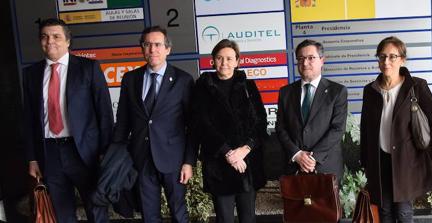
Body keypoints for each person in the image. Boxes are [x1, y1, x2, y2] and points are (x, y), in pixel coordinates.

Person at [22, 18, 113, 223]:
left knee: (96, 210)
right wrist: (32, 158)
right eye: (44, 37)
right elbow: (28, 119)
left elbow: (105, 114)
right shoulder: (31, 74)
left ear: (68, 41)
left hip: (84, 153)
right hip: (49, 153)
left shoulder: (88, 68)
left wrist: (105, 153)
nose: (50, 41)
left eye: (56, 36)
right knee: (62, 215)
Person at [360, 36, 432, 223]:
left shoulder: (416, 86)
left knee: (403, 213)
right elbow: (365, 129)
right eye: (382, 56)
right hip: (380, 161)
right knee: (384, 213)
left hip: (407, 160)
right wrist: (366, 161)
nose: (386, 62)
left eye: (392, 56)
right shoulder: (370, 90)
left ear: (402, 59)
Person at [112, 26, 195, 223]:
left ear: (168, 49)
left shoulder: (183, 80)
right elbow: (123, 121)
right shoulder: (130, 79)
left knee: (178, 212)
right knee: (149, 215)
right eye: (147, 44)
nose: (152, 49)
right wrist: (115, 155)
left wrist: (189, 162)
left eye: (158, 44)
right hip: (141, 158)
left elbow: (193, 126)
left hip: (173, 160)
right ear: (142, 48)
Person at [193, 39, 268, 223]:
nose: (224, 63)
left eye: (229, 58)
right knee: (224, 218)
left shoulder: (248, 86)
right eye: (219, 58)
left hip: (247, 165)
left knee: (248, 218)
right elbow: (201, 125)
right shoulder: (202, 87)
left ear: (237, 61)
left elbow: (260, 122)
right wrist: (227, 152)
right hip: (219, 167)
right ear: (213, 61)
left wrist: (245, 150)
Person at [275, 39, 348, 183]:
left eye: (311, 58)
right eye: (300, 59)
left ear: (322, 60)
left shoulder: (337, 91)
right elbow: (281, 127)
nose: (305, 63)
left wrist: (313, 157)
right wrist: (297, 154)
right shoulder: (286, 92)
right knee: (295, 206)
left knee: (327, 207)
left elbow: (337, 129)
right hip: (294, 167)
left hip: (325, 167)